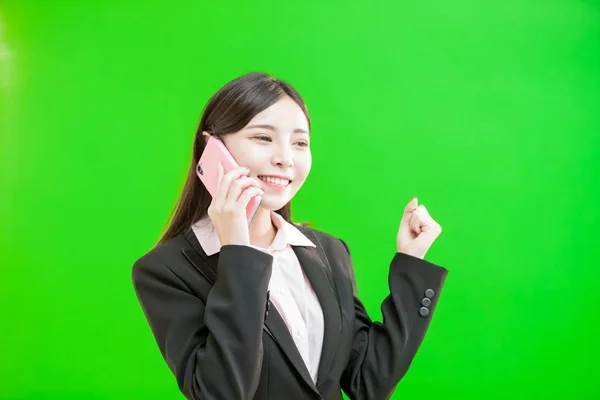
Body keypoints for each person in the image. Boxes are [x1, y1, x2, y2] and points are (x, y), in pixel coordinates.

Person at [132, 72, 448, 400]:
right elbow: (220, 393)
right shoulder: (164, 271)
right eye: (263, 138)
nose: (285, 158)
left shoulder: (328, 251)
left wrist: (411, 264)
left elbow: (367, 383)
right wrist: (238, 252)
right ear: (211, 148)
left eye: (300, 143)